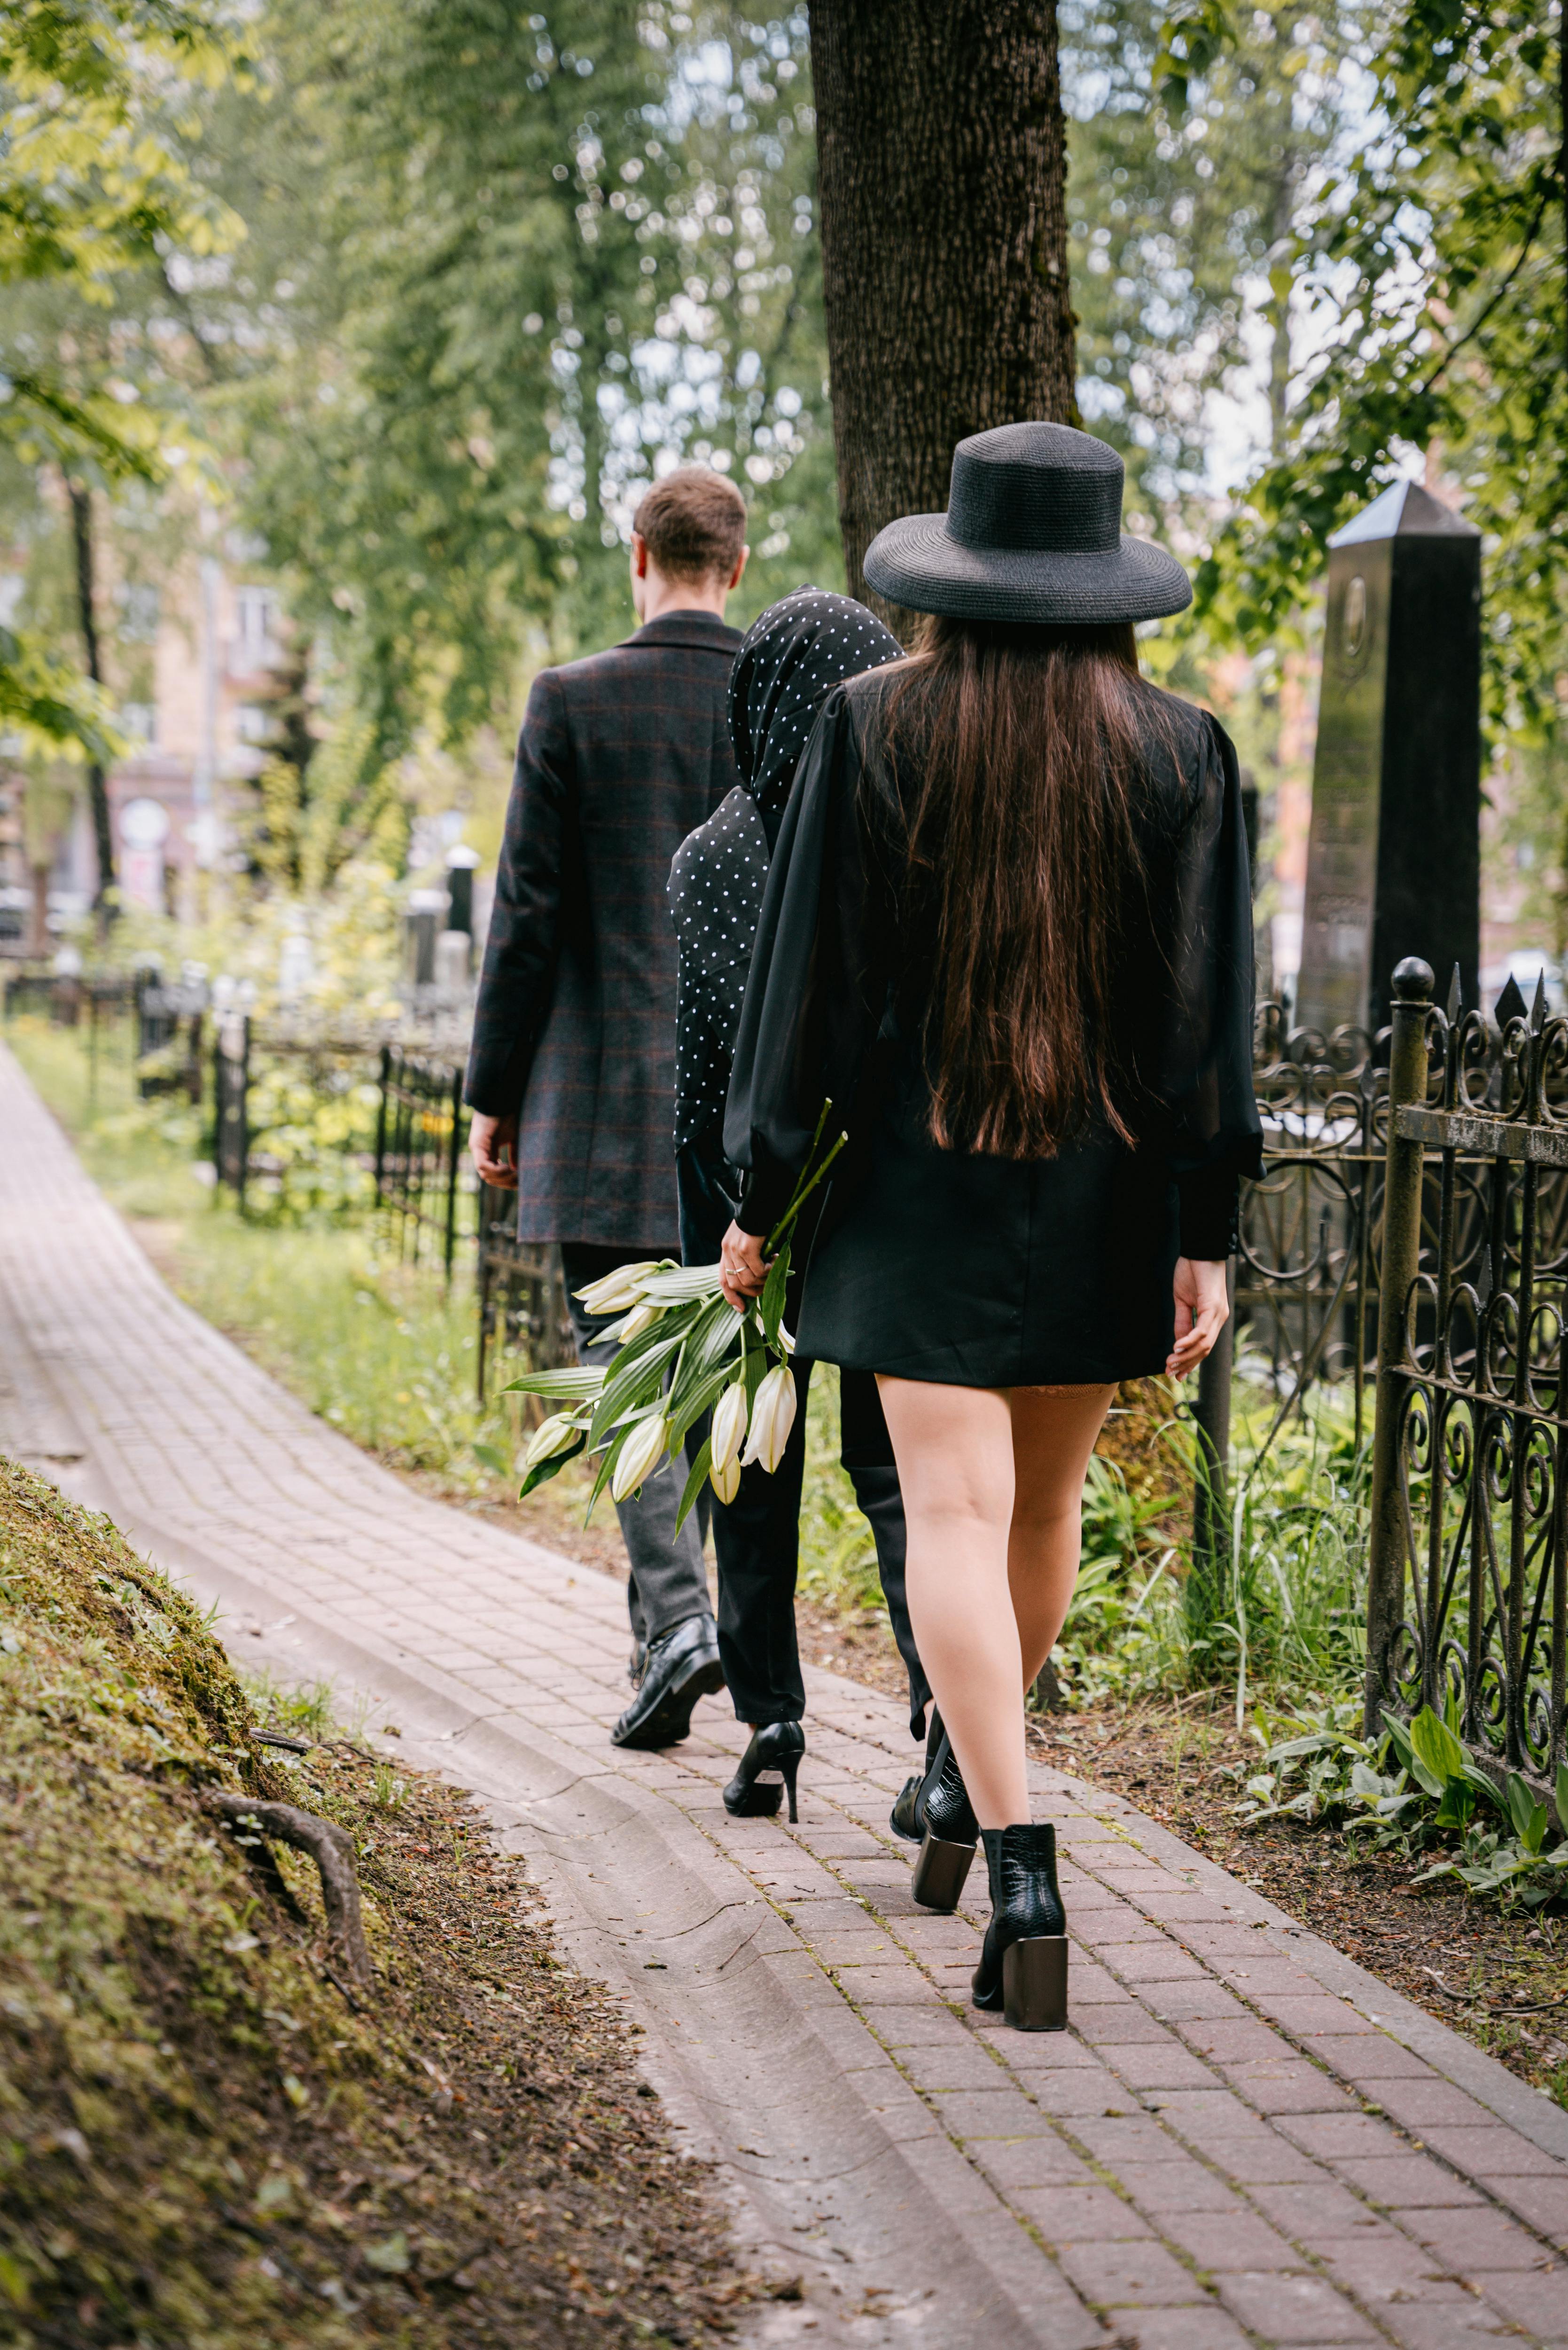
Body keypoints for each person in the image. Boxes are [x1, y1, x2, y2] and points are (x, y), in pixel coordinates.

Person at [718, 422, 1262, 2029]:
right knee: (1041, 1514)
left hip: (910, 1185)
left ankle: (1012, 1842)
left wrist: (759, 1194)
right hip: (1100, 1185)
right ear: (1105, 590)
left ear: (947, 577)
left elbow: (797, 987)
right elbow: (1206, 1028)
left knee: (949, 1516)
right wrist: (1201, 1224)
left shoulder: (867, 727)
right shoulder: (1181, 751)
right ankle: (981, 1772)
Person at [466, 465, 750, 1751]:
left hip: (595, 1096)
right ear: (734, 566)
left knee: (628, 1374)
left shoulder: (571, 701)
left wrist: (494, 1091)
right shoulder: (785, 702)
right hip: (752, 1108)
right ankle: (687, 1643)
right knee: (737, 1379)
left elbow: (525, 914)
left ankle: (682, 1625)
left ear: (638, 555)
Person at [668, 589, 932, 1823]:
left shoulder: (712, 859)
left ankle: (771, 1718)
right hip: (885, 1207)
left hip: (745, 1218)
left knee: (747, 1464)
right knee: (898, 1473)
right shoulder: (914, 839)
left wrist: (715, 1220)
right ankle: (942, 1711)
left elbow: (705, 1066)